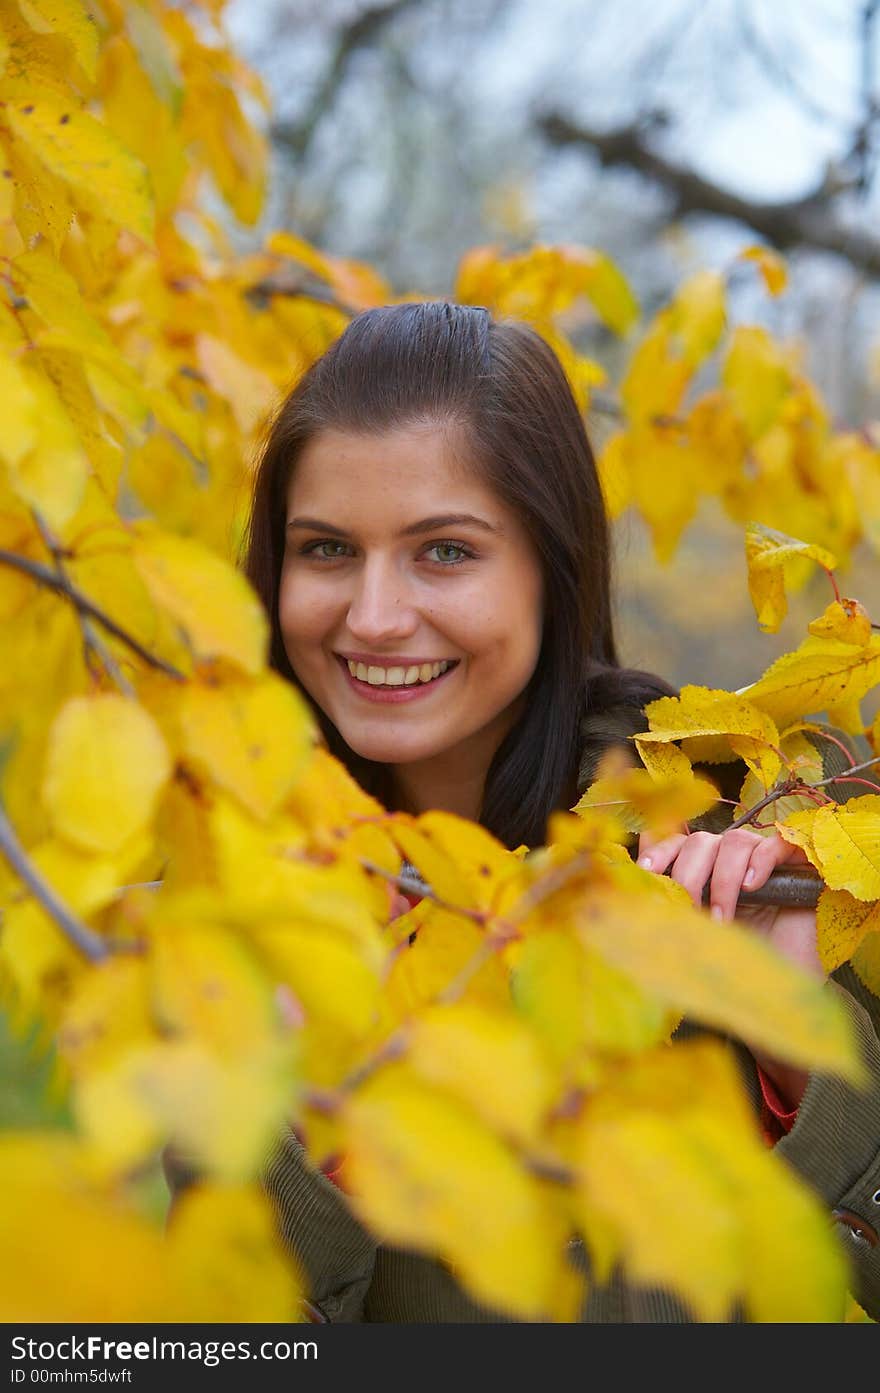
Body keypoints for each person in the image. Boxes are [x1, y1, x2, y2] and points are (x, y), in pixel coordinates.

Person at [167, 302, 880, 1322]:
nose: (370, 615)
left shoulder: (761, 862)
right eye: (325, 549)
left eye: (443, 551)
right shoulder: (249, 907)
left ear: (551, 567)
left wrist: (811, 1063)